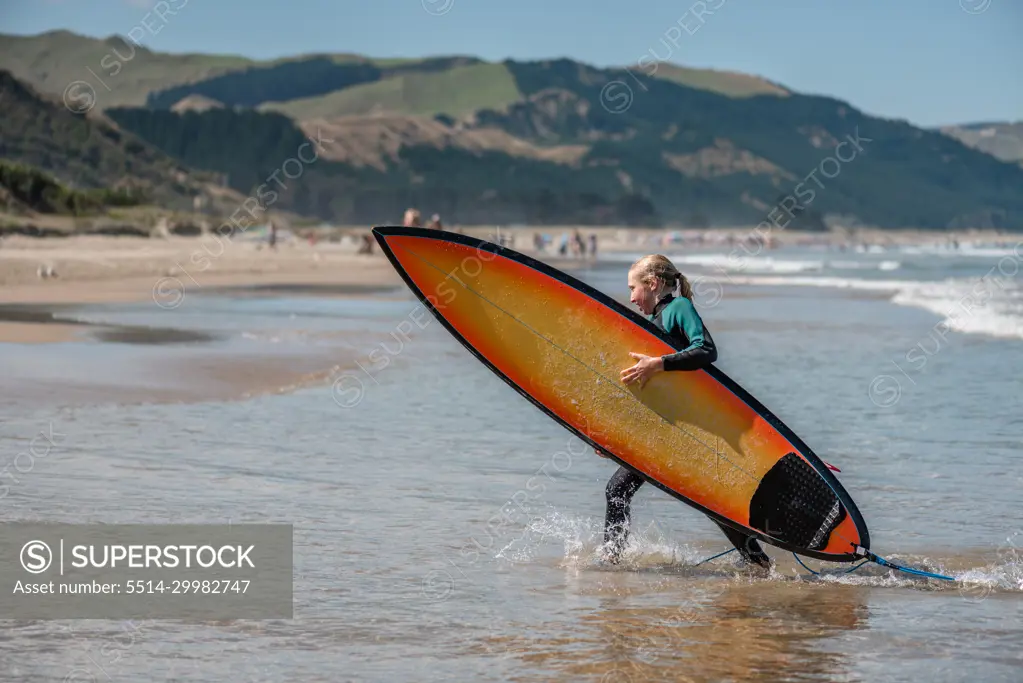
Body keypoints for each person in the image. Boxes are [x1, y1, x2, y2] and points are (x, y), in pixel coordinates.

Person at [601, 254, 771, 569]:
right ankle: (612, 562)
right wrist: (614, 437)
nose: (631, 298)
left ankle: (762, 566)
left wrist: (660, 362)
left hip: (684, 432)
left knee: (712, 506)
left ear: (653, 284)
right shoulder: (651, 321)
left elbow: (706, 349)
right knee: (618, 489)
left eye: (633, 288)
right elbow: (654, 394)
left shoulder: (679, 308)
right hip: (662, 430)